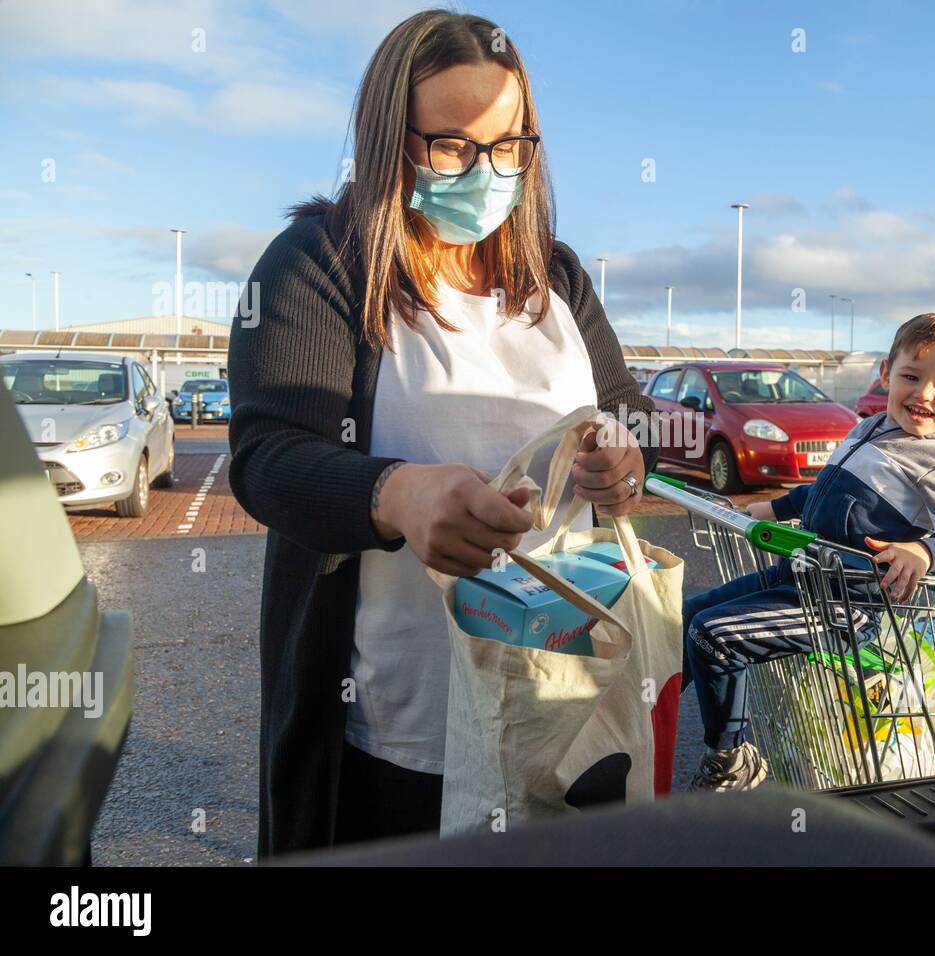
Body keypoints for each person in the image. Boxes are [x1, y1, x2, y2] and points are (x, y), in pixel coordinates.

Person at [226, 10, 656, 856]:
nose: (486, 171)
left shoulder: (557, 274)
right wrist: (394, 493)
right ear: (389, 139)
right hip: (396, 727)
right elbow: (267, 456)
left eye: (508, 145)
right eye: (451, 146)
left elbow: (627, 408)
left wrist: (625, 456)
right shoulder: (320, 263)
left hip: (562, 702)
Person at [680, 313, 935, 791]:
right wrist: (768, 507)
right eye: (911, 376)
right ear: (887, 374)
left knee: (715, 634)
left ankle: (729, 756)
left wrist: (925, 553)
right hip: (800, 576)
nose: (923, 394)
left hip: (850, 607)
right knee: (685, 616)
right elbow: (823, 492)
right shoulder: (867, 429)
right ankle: (646, 715)